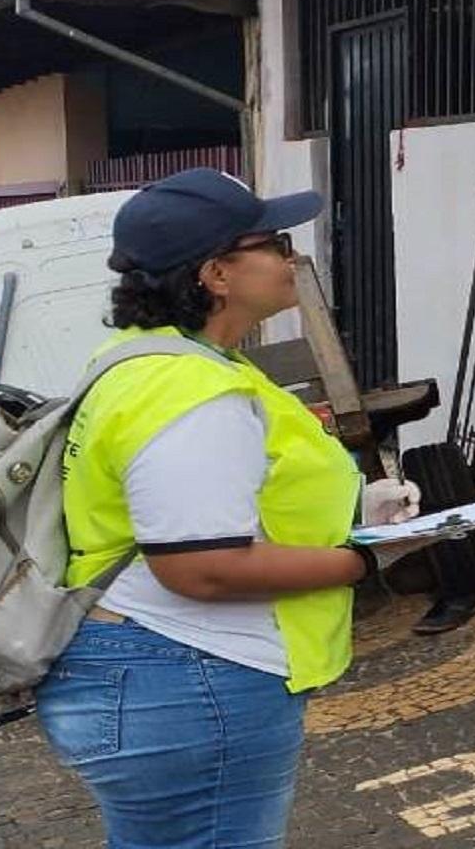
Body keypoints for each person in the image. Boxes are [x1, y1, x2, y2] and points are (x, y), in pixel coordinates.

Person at [35, 169, 426, 847]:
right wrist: (360, 561)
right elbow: (202, 567)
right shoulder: (191, 390)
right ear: (217, 273)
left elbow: (204, 501)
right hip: (189, 678)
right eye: (272, 241)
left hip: (158, 671)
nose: (291, 256)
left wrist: (357, 506)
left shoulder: (154, 360)